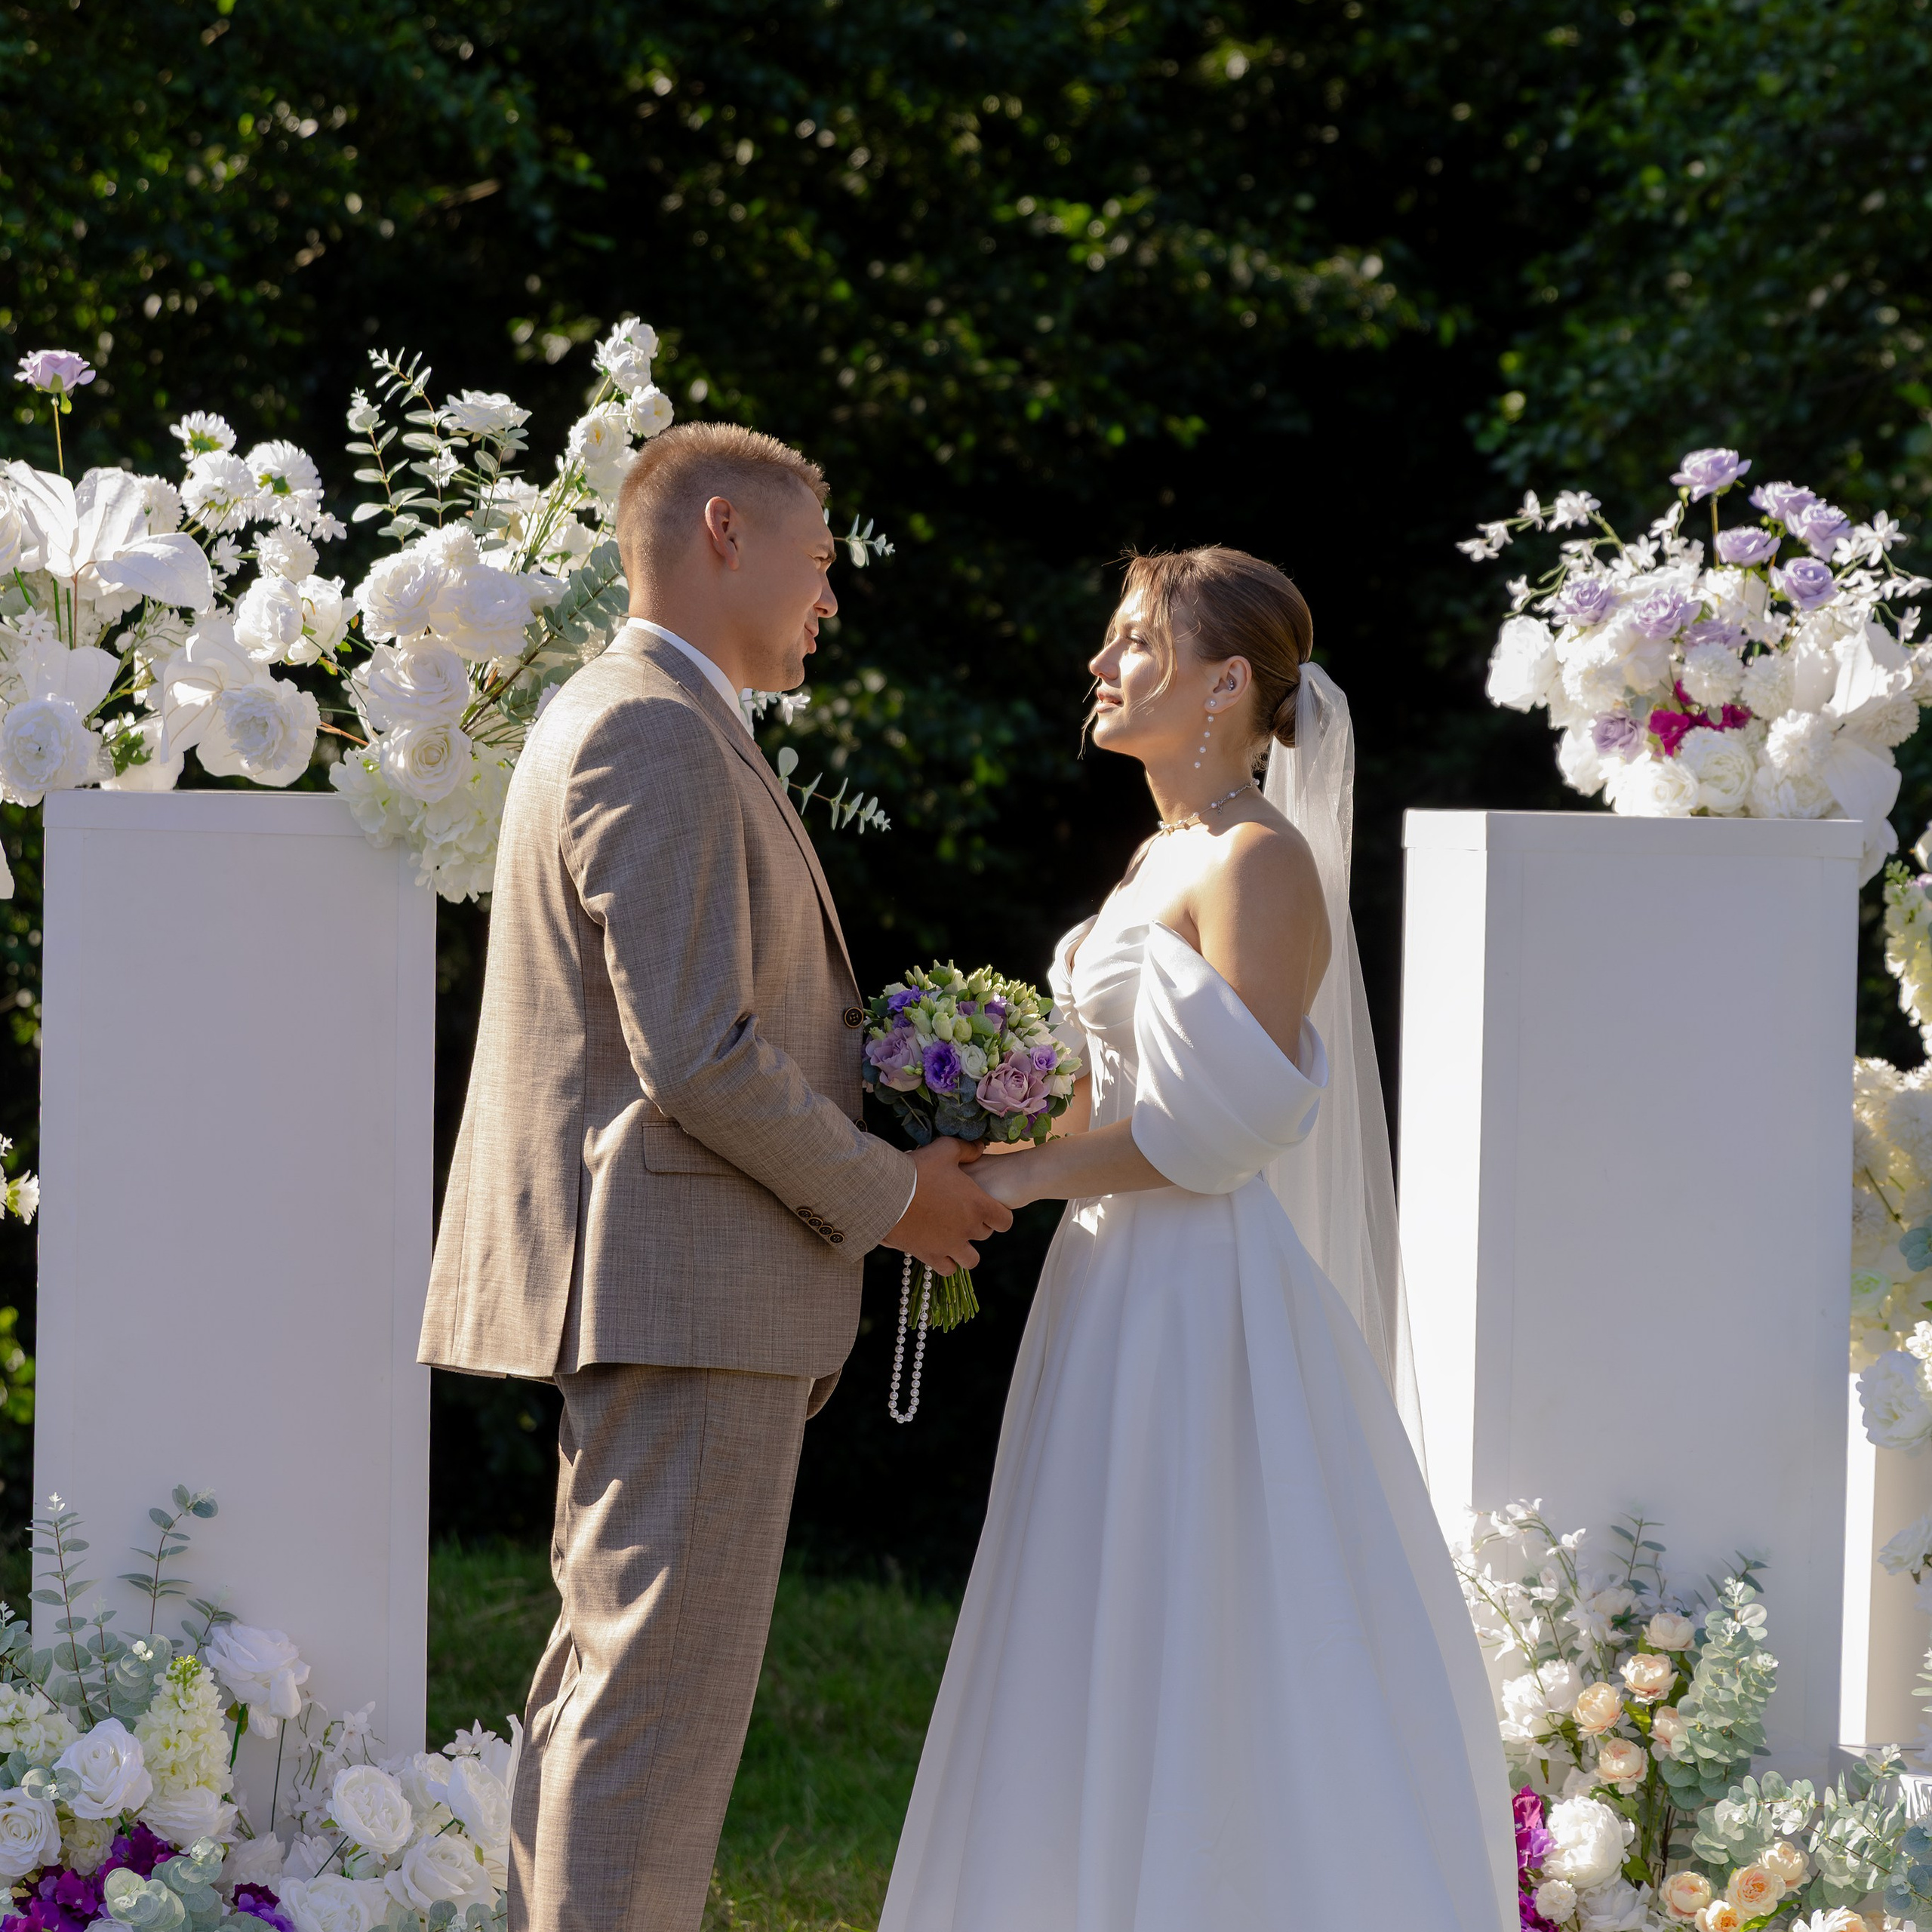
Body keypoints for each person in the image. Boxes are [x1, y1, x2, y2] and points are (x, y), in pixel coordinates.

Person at [417, 421, 1013, 1932]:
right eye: (818, 564)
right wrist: (896, 1196)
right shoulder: (651, 727)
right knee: (649, 1729)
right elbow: (699, 1053)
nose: (830, 599)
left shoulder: (655, 717)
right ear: (725, 532)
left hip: (675, 1291)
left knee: (608, 1703)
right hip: (682, 1296)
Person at [880, 546, 1516, 1930]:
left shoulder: (1258, 860)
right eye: (1110, 642)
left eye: (1135, 644)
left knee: (1208, 1621)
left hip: (1203, 1303)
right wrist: (999, 1102)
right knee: (1090, 1617)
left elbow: (1227, 1129)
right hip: (1110, 1289)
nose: (1101, 668)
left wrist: (1017, 1172)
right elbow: (1128, 1097)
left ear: (1228, 683)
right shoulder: (1159, 855)